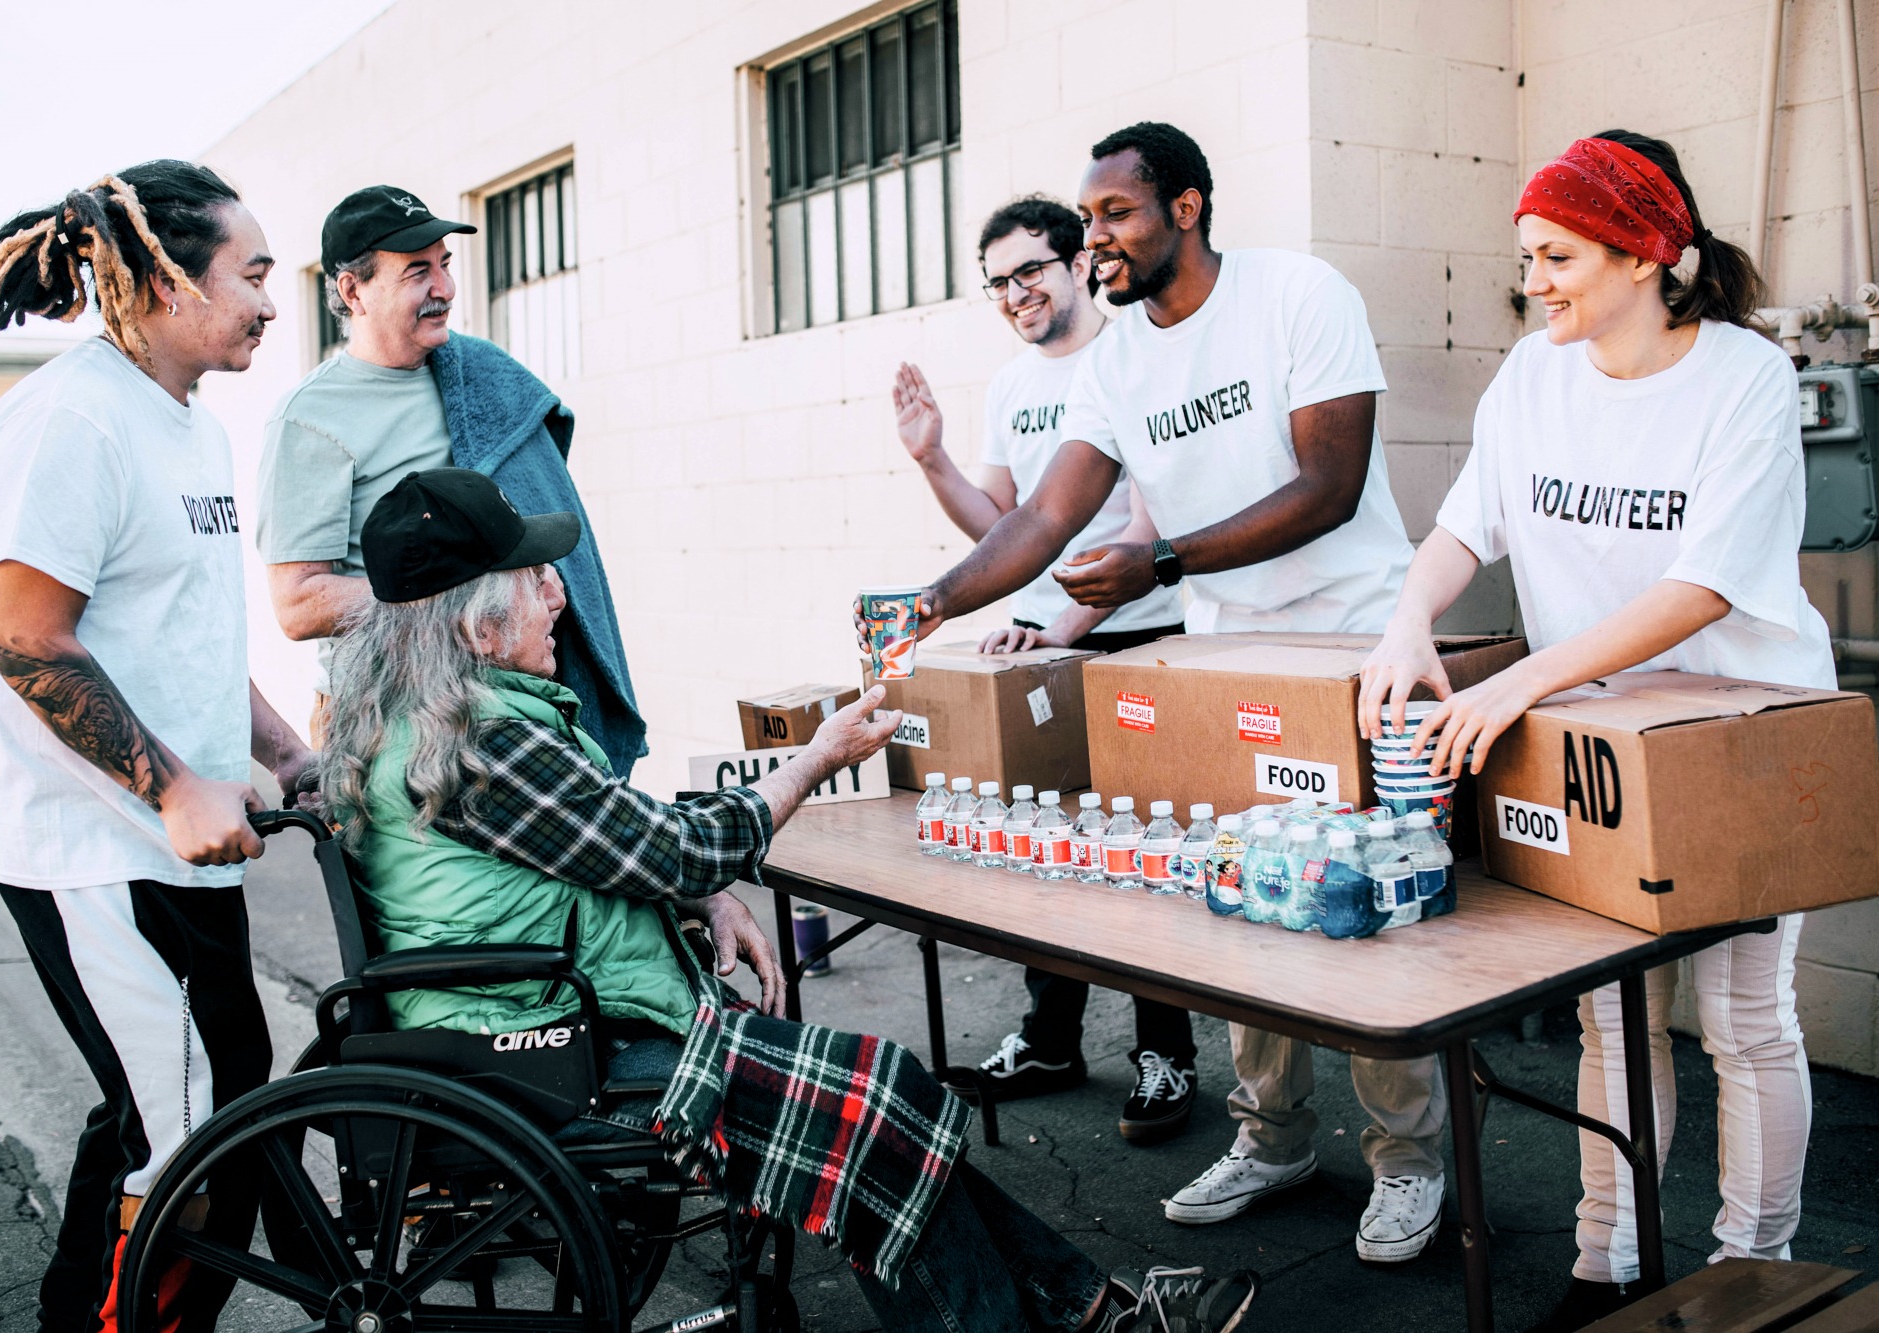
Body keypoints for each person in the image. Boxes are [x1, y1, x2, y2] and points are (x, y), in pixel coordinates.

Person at [322, 466, 1261, 1333]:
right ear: (474, 623)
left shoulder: (432, 719)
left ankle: (1095, 1311)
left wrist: (701, 898)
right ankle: (1076, 1316)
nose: (561, 592)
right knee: (873, 1108)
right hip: (546, 1052)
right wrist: (812, 762)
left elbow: (599, 850)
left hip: (534, 1023)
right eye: (534, 579)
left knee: (883, 1104)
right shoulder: (482, 744)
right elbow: (670, 844)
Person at [860, 121, 1448, 1264]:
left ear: (1184, 207)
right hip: (1225, 660)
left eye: (1114, 215)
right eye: (1086, 222)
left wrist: (1164, 563)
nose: (1095, 242)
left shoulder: (1296, 295)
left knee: (1360, 912)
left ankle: (1407, 1162)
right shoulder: (1117, 358)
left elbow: (1327, 486)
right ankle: (1271, 1135)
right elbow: (1041, 518)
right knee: (1242, 899)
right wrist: (930, 598)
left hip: (1345, 640)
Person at [1359, 131, 1831, 1333]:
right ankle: (1604, 1264)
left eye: (1558, 255)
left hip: (1741, 731)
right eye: (1527, 257)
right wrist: (1409, 618)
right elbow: (1468, 525)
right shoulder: (1530, 374)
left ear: (1648, 254)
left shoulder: (1741, 377)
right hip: (1601, 739)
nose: (1537, 282)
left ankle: (1749, 1271)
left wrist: (1519, 683)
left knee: (1740, 1020)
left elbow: (1701, 588)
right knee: (1609, 1009)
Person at [0, 161, 313, 1333]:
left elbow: (184, 639)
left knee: (204, 1107)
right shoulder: (67, 419)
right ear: (166, 278)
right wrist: (170, 789)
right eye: (252, 274)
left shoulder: (189, 428)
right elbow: (26, 643)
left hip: (181, 843)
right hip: (93, 850)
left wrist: (284, 752)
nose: (272, 301)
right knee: (181, 1124)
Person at [892, 194, 1195, 1139]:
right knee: (1044, 850)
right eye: (997, 282)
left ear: (1077, 265)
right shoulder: (1012, 388)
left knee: (1144, 857)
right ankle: (1051, 1037)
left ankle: (1167, 1054)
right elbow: (1006, 528)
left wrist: (1061, 624)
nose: (1015, 292)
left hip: (1133, 640)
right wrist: (933, 458)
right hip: (1041, 647)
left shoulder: (1134, 360)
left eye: (1030, 269)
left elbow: (1149, 524)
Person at [256, 185, 645, 775]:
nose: (444, 289)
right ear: (352, 290)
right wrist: (465, 594)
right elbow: (298, 604)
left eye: (445, 265)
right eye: (418, 271)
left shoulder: (483, 376)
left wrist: (525, 585)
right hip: (385, 713)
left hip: (510, 702)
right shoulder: (310, 419)